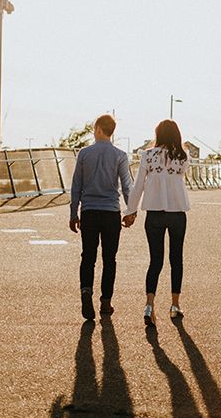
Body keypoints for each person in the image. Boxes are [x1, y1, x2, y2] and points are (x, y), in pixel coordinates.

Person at [123, 120, 191, 326]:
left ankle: (149, 305)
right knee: (176, 258)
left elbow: (138, 186)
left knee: (155, 261)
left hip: (154, 213)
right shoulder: (183, 156)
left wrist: (130, 211)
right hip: (177, 212)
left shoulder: (147, 155)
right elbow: (178, 176)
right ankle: (174, 305)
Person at [69, 114, 133, 320]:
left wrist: (73, 214)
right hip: (111, 213)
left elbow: (76, 186)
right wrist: (130, 211)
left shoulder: (84, 154)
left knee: (88, 257)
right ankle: (106, 302)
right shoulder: (120, 155)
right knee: (109, 259)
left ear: (98, 129)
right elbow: (126, 186)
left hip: (89, 212)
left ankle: (86, 291)